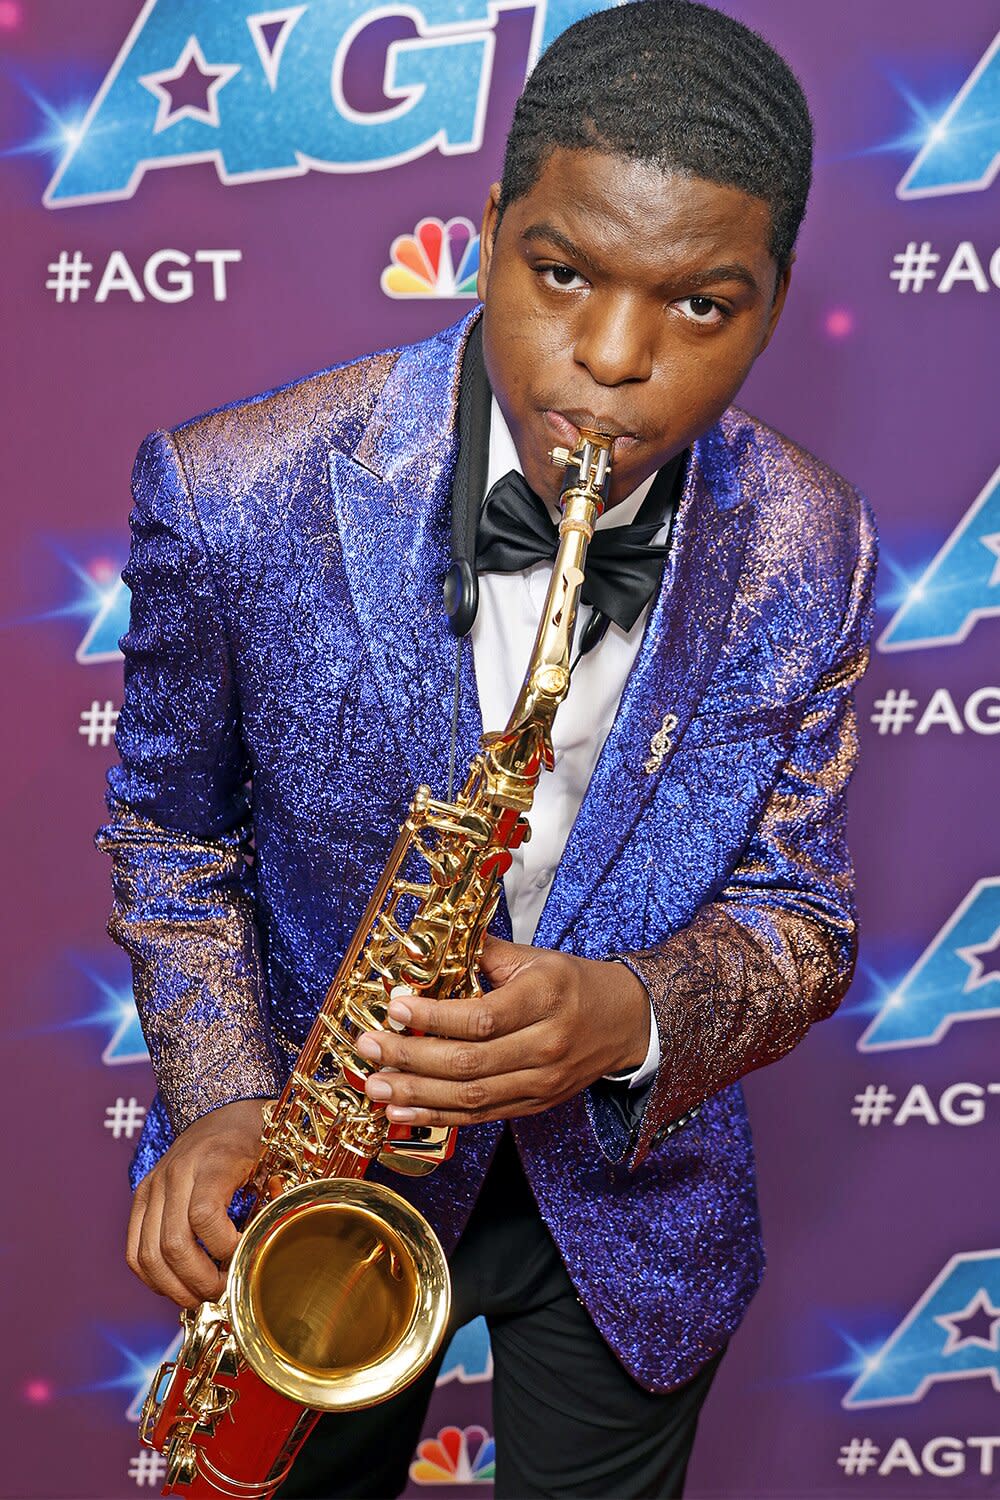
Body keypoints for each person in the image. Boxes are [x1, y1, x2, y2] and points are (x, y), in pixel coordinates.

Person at [96, 2, 878, 1496]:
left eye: (702, 306)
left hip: (636, 1209)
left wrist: (632, 1011)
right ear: (488, 231)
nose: (610, 361)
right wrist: (218, 1094)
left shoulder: (813, 537)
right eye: (563, 273)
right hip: (314, 1183)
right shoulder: (235, 490)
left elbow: (805, 915)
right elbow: (169, 836)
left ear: (775, 303)